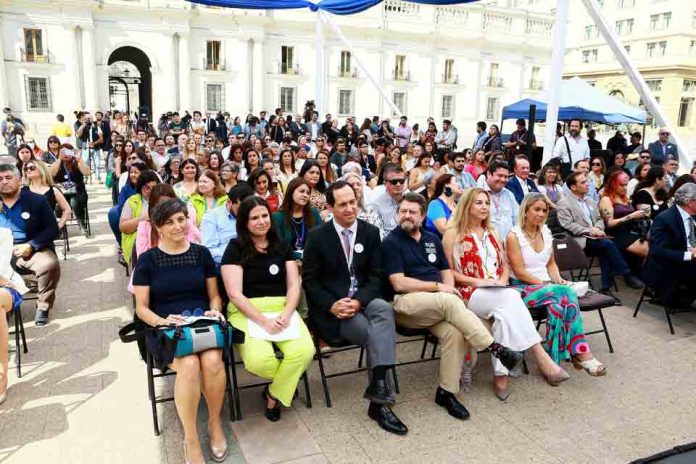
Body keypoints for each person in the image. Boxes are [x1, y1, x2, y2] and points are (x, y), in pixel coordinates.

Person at [381, 193, 524, 418]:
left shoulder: (431, 239)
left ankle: (446, 392)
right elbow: (398, 282)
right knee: (449, 300)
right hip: (407, 303)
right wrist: (440, 288)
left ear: (423, 215)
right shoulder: (391, 242)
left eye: (412, 212)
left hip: (440, 305)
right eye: (403, 211)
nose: (406, 216)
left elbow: (446, 272)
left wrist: (448, 288)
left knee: (455, 333)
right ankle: (495, 348)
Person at [443, 188, 570, 400]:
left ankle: (500, 376)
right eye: (479, 203)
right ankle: (540, 356)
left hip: (497, 291)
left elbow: (504, 266)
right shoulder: (452, 233)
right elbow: (448, 272)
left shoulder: (492, 232)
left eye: (486, 203)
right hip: (469, 291)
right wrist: (480, 281)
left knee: (504, 317)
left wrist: (501, 281)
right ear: (467, 206)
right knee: (512, 297)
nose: (484, 207)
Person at [303, 181, 406, 435]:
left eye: (353, 202)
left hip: (364, 300)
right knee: (375, 335)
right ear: (330, 207)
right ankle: (379, 403)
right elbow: (310, 281)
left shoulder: (370, 233)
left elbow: (376, 275)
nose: (350, 208)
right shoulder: (318, 236)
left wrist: (359, 300)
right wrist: (333, 305)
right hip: (336, 310)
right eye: (343, 204)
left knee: (383, 309)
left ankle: (379, 388)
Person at [132, 199, 227, 464]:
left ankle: (214, 423)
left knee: (211, 360)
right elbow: (141, 308)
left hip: (200, 323)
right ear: (158, 228)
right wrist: (163, 321)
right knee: (188, 365)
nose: (178, 226)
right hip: (164, 327)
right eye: (170, 222)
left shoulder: (201, 254)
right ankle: (191, 437)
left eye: (181, 219)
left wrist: (214, 310)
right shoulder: (148, 260)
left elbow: (214, 296)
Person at [221, 197, 315, 422]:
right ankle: (286, 383)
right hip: (246, 310)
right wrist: (263, 320)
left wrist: (286, 313)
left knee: (304, 352)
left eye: (265, 216)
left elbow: (294, 285)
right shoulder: (235, 248)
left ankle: (273, 394)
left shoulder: (282, 246)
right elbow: (234, 294)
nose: (262, 221)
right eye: (254, 218)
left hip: (283, 308)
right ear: (244, 222)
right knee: (258, 360)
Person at [506, 193, 606, 375]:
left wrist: (558, 279)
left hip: (549, 288)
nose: (541, 214)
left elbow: (550, 263)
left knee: (557, 307)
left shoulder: (546, 232)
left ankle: (552, 363)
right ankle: (581, 352)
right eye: (536, 209)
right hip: (521, 288)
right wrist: (549, 284)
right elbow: (519, 271)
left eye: (544, 210)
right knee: (565, 293)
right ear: (526, 210)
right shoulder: (514, 236)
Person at [557, 172, 644, 297]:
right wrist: (590, 231)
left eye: (586, 181)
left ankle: (605, 288)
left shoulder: (591, 201)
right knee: (607, 244)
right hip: (579, 239)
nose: (587, 184)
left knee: (606, 247)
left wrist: (597, 228)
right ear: (573, 187)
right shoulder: (564, 203)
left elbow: (599, 218)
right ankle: (627, 274)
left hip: (597, 237)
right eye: (582, 182)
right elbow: (568, 224)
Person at [0, 164, 60, 326]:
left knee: (48, 264)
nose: (4, 182)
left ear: (19, 179)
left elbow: (52, 229)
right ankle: (5, 305)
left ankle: (43, 305)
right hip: (1, 251)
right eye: (0, 179)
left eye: (8, 178)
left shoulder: (36, 200)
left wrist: (32, 245)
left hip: (27, 250)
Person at [642, 183, 696, 306]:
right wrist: (690, 255)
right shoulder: (665, 219)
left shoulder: (693, 216)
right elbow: (658, 251)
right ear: (690, 202)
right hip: (669, 265)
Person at [135, 184, 200, 257]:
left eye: (169, 204)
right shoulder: (144, 226)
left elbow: (193, 250)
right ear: (153, 206)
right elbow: (142, 257)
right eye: (161, 205)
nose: (166, 209)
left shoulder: (185, 222)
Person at [599, 170, 650, 260]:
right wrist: (631, 216)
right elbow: (609, 224)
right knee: (651, 253)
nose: (625, 188)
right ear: (613, 184)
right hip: (618, 235)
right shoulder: (607, 199)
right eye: (622, 185)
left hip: (633, 232)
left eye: (626, 185)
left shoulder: (626, 199)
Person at [272, 177, 322, 260]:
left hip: (312, 262)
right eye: (302, 191)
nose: (305, 195)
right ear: (291, 192)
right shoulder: (278, 217)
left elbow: (321, 239)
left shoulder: (313, 213)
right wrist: (299, 256)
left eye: (308, 193)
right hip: (287, 262)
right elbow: (277, 246)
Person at [48, 144, 91, 236]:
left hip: (78, 192)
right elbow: (51, 174)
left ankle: (81, 224)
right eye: (63, 152)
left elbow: (87, 172)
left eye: (69, 152)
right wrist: (59, 159)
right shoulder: (58, 164)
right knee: (58, 205)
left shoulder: (77, 162)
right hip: (62, 193)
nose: (66, 154)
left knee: (74, 202)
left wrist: (80, 159)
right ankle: (60, 227)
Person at [120, 170, 160, 266]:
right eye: (147, 188)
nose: (150, 191)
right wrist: (142, 218)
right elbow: (123, 227)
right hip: (138, 239)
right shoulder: (132, 201)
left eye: (154, 188)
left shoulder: (163, 200)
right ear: (141, 187)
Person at [22, 159, 71, 230]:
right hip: (27, 230)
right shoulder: (22, 191)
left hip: (47, 229)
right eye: (26, 169)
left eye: (32, 168)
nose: (28, 170)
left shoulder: (53, 190)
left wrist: (59, 226)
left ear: (41, 170)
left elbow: (67, 209)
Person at [478, 161, 518, 242]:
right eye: (500, 175)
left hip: (508, 246)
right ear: (489, 174)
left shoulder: (509, 194)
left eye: (506, 177)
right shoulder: (477, 193)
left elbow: (517, 220)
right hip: (485, 245)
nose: (503, 179)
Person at [368, 163, 405, 238]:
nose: (398, 184)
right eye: (394, 182)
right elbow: (379, 237)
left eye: (401, 181)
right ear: (385, 183)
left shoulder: (409, 202)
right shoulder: (375, 206)